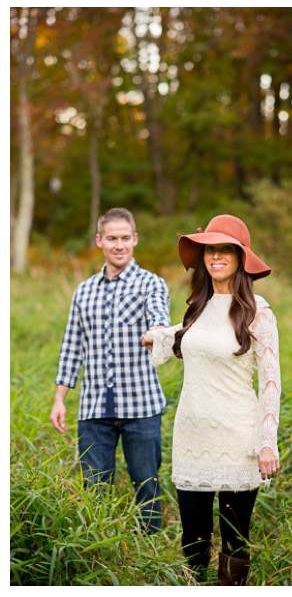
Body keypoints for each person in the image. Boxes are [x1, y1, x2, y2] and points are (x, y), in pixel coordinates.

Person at [143, 214, 281, 585]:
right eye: (209, 249)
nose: (215, 256)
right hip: (191, 436)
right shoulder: (199, 308)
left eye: (225, 250)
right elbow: (188, 339)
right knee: (193, 537)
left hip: (237, 439)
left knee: (235, 538)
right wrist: (157, 336)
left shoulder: (257, 311)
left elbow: (271, 382)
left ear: (240, 258)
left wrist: (267, 442)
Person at [52, 207, 171, 534]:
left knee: (146, 486)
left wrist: (156, 332)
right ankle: (98, 553)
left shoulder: (151, 283)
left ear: (135, 239)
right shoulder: (83, 291)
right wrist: (60, 398)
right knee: (92, 488)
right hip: (93, 409)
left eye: (125, 238)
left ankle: (149, 555)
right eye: (111, 239)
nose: (119, 245)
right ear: (99, 241)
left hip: (141, 407)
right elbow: (72, 345)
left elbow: (159, 315)